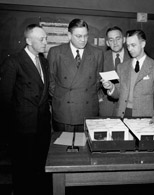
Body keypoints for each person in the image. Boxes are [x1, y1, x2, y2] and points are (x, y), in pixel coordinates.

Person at [0, 24, 51, 195]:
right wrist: (8, 132)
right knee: (22, 171)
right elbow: (5, 99)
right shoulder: (13, 61)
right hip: (22, 129)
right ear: (29, 41)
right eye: (41, 39)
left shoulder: (43, 61)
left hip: (42, 127)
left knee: (39, 168)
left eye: (46, 38)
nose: (45, 42)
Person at [47, 18, 104, 132]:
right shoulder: (55, 52)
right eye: (78, 36)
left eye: (86, 36)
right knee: (62, 147)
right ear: (69, 35)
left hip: (88, 110)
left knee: (86, 147)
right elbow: (51, 81)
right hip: (64, 111)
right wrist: (64, 97)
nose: (83, 40)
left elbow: (97, 82)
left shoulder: (97, 53)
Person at [101, 29, 154, 124]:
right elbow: (118, 93)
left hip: (145, 117)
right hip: (122, 115)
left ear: (143, 44)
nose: (129, 49)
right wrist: (111, 87)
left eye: (133, 45)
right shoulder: (122, 67)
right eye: (128, 45)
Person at [99, 26, 131, 117]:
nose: (115, 43)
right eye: (111, 40)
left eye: (118, 39)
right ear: (107, 43)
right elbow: (94, 80)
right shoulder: (101, 58)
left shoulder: (133, 57)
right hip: (106, 107)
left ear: (124, 39)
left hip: (127, 108)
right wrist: (99, 98)